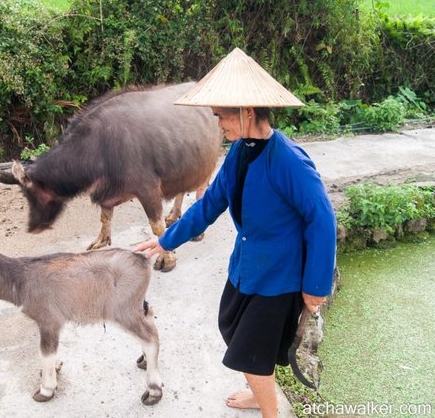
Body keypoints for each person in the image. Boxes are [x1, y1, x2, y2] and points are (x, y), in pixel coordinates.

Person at [133, 48, 337, 418]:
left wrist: (316, 286)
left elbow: (321, 220)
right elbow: (210, 204)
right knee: (231, 328)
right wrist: (166, 239)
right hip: (247, 266)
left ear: (247, 112)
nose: (218, 125)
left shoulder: (289, 160)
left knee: (250, 352)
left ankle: (269, 411)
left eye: (221, 117)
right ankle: (261, 393)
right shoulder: (240, 153)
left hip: (279, 277)